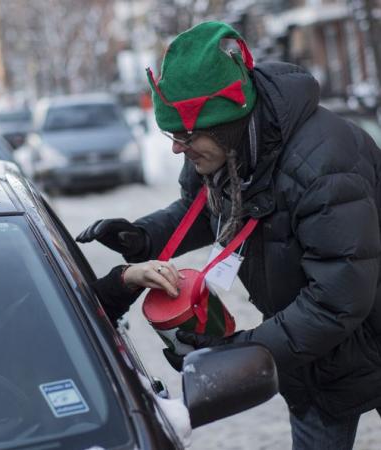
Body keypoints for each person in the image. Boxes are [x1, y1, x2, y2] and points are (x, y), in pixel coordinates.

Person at [77, 21, 381, 450]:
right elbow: (203, 209)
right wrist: (142, 237)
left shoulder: (325, 165)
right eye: (172, 136)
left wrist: (241, 352)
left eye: (185, 137)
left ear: (227, 125)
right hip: (315, 357)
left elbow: (337, 298)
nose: (176, 149)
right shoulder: (222, 149)